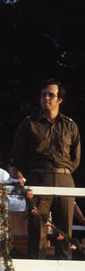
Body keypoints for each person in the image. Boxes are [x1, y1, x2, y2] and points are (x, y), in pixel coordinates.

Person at [10, 78, 80, 260]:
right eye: (43, 95)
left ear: (60, 100)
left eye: (51, 95)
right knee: (37, 231)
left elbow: (75, 158)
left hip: (64, 180)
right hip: (39, 180)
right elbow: (18, 157)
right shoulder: (28, 124)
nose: (46, 98)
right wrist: (29, 174)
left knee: (64, 233)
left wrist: (62, 173)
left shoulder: (70, 125)